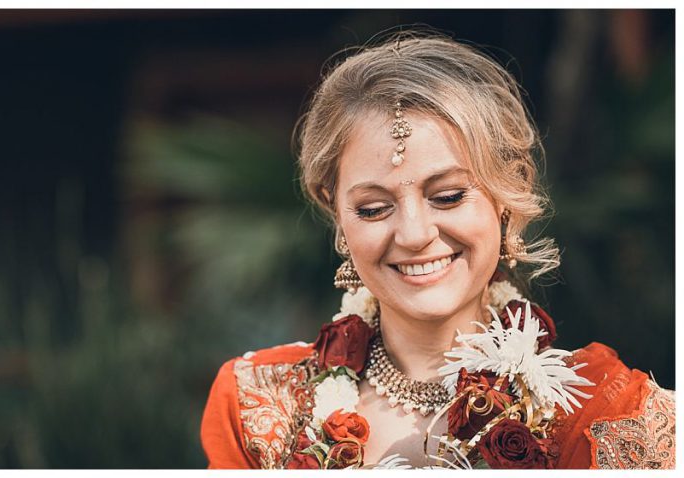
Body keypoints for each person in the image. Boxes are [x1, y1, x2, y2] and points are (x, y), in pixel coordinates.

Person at [200, 32, 674, 469]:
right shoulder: (261, 408)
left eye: (447, 196)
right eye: (373, 208)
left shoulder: (597, 415)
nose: (413, 233)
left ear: (507, 195)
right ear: (337, 215)